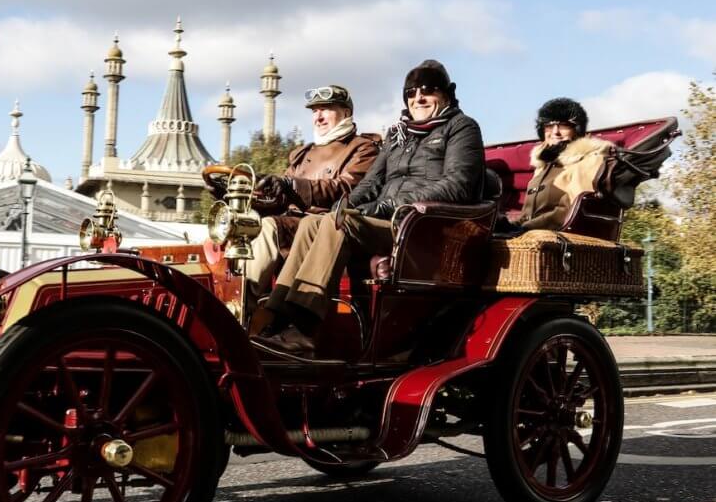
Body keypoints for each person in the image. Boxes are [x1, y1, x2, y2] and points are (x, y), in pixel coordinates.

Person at [252, 60, 485, 358]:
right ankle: (275, 317)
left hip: (423, 228)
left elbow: (459, 185)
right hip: (389, 224)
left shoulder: (462, 127)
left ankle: (306, 329)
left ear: (447, 95)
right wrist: (343, 206)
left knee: (340, 224)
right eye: (411, 93)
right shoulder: (399, 135)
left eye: (428, 91)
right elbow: (370, 184)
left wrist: (387, 206)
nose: (419, 99)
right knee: (319, 222)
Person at [241, 85, 380, 304]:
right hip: (291, 223)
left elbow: (346, 188)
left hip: (324, 226)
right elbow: (280, 195)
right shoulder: (302, 153)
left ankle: (242, 301)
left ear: (346, 113)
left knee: (268, 227)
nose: (318, 116)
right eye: (315, 111)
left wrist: (292, 186)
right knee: (238, 225)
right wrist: (247, 194)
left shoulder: (363, 148)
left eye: (326, 109)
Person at [515, 97, 611, 231]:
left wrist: (526, 228)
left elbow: (572, 208)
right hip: (531, 236)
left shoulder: (588, 160)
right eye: (549, 126)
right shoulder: (543, 165)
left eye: (564, 125)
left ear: (577, 130)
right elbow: (526, 216)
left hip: (561, 238)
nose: (555, 132)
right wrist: (510, 226)